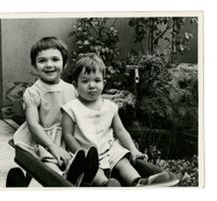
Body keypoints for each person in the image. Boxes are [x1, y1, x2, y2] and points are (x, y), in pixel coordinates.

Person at [61, 53, 170, 187]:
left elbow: (120, 130)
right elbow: (67, 135)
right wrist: (81, 155)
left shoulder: (110, 107)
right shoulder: (71, 108)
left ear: (104, 83)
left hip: (109, 148)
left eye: (97, 80)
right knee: (94, 170)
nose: (92, 85)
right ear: (75, 85)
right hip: (88, 154)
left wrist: (133, 149)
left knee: (122, 160)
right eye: (85, 81)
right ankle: (105, 184)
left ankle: (138, 182)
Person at [13, 37, 98, 186]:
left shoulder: (71, 89)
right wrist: (53, 147)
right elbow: (33, 125)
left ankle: (93, 179)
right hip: (42, 139)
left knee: (83, 154)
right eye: (42, 61)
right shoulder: (33, 92)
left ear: (64, 64)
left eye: (55, 60)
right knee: (49, 161)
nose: (49, 65)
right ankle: (62, 179)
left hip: (67, 137)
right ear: (34, 66)